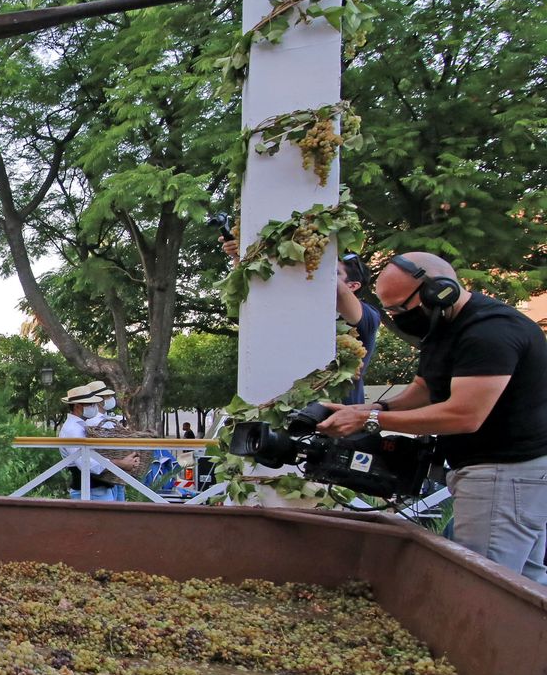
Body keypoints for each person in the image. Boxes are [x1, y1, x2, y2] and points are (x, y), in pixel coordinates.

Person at [317, 252, 547, 581]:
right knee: (528, 583)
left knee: (487, 583)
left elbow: (464, 415)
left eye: (399, 308)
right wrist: (375, 408)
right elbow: (424, 389)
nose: (395, 317)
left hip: (504, 473)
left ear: (437, 291)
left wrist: (371, 422)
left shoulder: (489, 332)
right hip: (489, 471)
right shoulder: (443, 327)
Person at [225, 241, 380, 403]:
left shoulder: (369, 315)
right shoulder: (302, 314)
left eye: (334, 272)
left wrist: (312, 254)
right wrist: (241, 257)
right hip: (294, 408)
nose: (320, 275)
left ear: (353, 285)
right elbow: (257, 300)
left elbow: (338, 292)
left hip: (342, 416)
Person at [59, 384, 120, 501]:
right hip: (90, 491)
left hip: (94, 489)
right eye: (90, 404)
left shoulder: (80, 426)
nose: (94, 407)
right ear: (77, 406)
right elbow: (86, 463)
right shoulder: (73, 430)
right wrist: (119, 463)